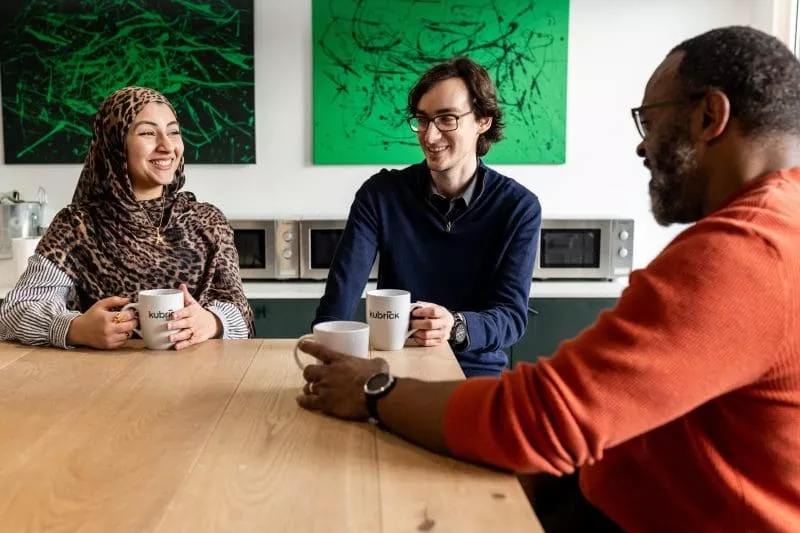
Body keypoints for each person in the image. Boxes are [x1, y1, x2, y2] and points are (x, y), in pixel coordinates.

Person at [295, 26, 800, 532]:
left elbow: (543, 415)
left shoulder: (743, 254)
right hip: (594, 490)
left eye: (649, 122)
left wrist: (376, 389)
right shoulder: (778, 226)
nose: (641, 147)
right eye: (422, 121)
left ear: (710, 117)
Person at [313, 57, 541, 377]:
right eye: (422, 120)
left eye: (447, 119)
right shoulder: (380, 195)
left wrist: (455, 326)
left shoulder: (519, 207)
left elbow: (511, 318)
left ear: (483, 121)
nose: (430, 136)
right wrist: (326, 354)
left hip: (473, 373)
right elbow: (339, 298)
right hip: (393, 369)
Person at [0, 86, 252, 349]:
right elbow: (14, 313)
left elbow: (240, 311)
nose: (167, 146)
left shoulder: (208, 221)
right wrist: (75, 328)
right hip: (102, 373)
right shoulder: (77, 225)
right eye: (148, 133)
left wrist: (212, 322)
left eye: (173, 132)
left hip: (199, 372)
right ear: (115, 143)